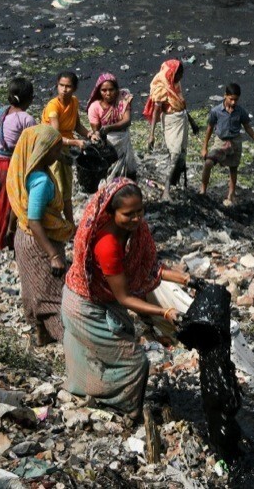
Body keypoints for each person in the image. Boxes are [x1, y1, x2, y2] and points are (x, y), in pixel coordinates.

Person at [61, 179, 193, 420]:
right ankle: (125, 408)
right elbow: (123, 297)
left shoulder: (135, 231)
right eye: (128, 214)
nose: (136, 218)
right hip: (84, 304)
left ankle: (100, 393)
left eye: (140, 211)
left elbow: (150, 267)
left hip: (103, 299)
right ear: (111, 214)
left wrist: (184, 279)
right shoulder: (108, 245)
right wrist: (164, 312)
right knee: (134, 362)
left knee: (108, 352)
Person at [6, 125, 75, 345]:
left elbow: (17, 205)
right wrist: (53, 254)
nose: (58, 155)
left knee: (34, 289)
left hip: (22, 236)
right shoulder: (42, 181)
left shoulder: (23, 171)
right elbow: (35, 221)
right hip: (39, 241)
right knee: (51, 295)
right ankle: (68, 343)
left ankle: (41, 334)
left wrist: (10, 230)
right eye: (55, 150)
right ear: (43, 151)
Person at [0, 77, 36, 250]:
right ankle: (4, 241)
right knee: (9, 203)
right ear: (29, 99)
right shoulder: (26, 118)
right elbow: (32, 143)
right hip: (6, 164)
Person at [200, 83, 254, 206]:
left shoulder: (240, 111)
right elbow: (209, 128)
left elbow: (248, 128)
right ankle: (203, 190)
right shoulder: (216, 111)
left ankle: (231, 194)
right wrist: (204, 147)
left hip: (235, 141)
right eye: (231, 99)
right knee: (208, 162)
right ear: (225, 96)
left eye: (236, 100)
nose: (233, 102)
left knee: (233, 168)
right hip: (220, 141)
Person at [144, 59, 200, 201]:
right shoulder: (162, 87)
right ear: (171, 73)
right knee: (174, 154)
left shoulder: (175, 84)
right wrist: (152, 135)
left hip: (182, 119)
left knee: (181, 154)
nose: (181, 76)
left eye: (181, 73)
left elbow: (182, 105)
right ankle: (166, 190)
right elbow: (157, 111)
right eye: (178, 73)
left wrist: (192, 122)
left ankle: (176, 182)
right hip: (171, 122)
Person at [41, 71, 90, 224]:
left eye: (68, 86)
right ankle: (55, 224)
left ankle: (69, 225)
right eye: (61, 85)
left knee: (67, 188)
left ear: (74, 88)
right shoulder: (53, 107)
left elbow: (77, 125)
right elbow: (55, 136)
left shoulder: (74, 102)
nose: (64, 89)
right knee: (56, 188)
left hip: (66, 149)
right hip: (52, 150)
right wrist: (75, 142)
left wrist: (89, 134)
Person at [87, 72, 138, 182]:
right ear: (99, 91)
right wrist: (97, 135)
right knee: (110, 171)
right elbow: (96, 130)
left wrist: (109, 128)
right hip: (108, 144)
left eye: (111, 89)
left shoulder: (123, 98)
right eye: (104, 90)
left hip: (123, 140)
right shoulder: (95, 107)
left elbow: (127, 120)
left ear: (116, 89)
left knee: (129, 171)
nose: (108, 93)